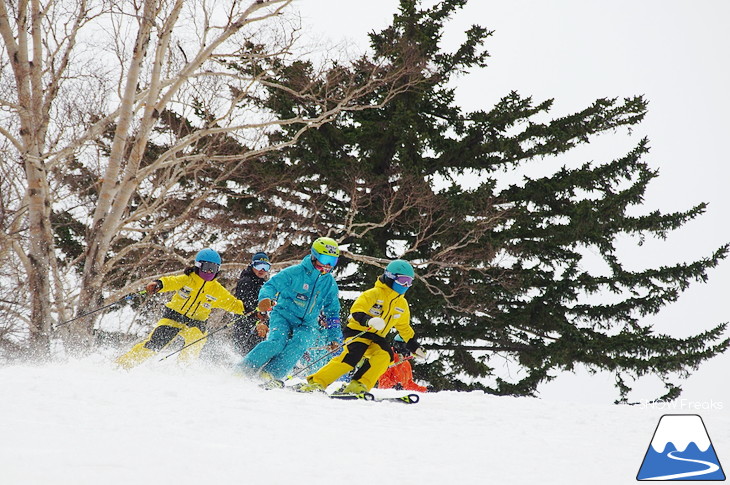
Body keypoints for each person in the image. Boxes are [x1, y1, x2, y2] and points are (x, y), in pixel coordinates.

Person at [298, 259, 427, 395]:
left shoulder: (402, 304)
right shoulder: (373, 294)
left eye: (409, 282)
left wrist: (414, 346)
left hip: (376, 337)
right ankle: (317, 381)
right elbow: (357, 311)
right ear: (390, 277)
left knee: (385, 355)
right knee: (353, 355)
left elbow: (404, 328)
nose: (406, 285)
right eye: (402, 280)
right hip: (358, 331)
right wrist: (368, 321)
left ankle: (359, 384)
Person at [234, 237, 342, 385]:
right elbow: (270, 286)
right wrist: (265, 299)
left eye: (333, 261)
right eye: (325, 259)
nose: (328, 265)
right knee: (277, 342)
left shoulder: (329, 283)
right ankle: (243, 369)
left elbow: (332, 312)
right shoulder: (295, 272)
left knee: (299, 344)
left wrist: (334, 337)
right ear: (314, 256)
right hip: (284, 315)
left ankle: (270, 375)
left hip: (307, 323)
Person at [116, 248, 249, 369]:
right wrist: (159, 284)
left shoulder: (217, 289)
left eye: (213, 269)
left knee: (197, 339)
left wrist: (251, 311)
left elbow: (232, 304)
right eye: (207, 267)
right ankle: (123, 365)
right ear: (198, 266)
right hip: (174, 317)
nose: (209, 272)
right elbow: (170, 281)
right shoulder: (187, 279)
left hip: (197, 322)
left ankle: (184, 369)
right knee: (155, 344)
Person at [230, 252, 272, 357]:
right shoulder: (246, 281)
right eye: (259, 266)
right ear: (252, 265)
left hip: (259, 322)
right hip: (245, 323)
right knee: (244, 351)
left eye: (265, 267)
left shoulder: (264, 284)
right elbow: (245, 304)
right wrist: (257, 315)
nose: (262, 270)